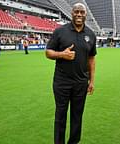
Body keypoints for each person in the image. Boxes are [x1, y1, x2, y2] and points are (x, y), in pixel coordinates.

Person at [46, 3, 97, 144]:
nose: (79, 14)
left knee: (77, 116)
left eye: (82, 12)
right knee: (60, 116)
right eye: (76, 12)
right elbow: (48, 52)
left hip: (81, 83)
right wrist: (62, 54)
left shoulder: (91, 35)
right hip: (62, 82)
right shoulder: (60, 32)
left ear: (85, 14)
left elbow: (92, 59)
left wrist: (91, 81)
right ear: (72, 13)